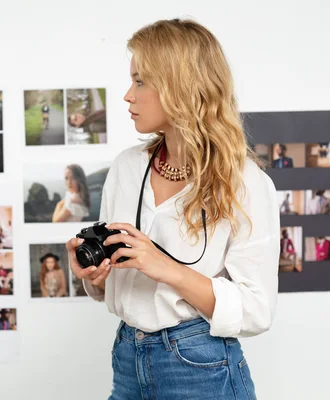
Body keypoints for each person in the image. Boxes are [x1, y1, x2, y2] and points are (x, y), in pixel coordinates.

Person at [65, 19, 279, 399]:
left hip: (200, 365)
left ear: (181, 85)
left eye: (141, 81)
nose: (128, 95)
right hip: (127, 358)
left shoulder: (244, 181)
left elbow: (256, 310)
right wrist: (94, 278)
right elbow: (114, 287)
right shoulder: (127, 167)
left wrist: (168, 270)